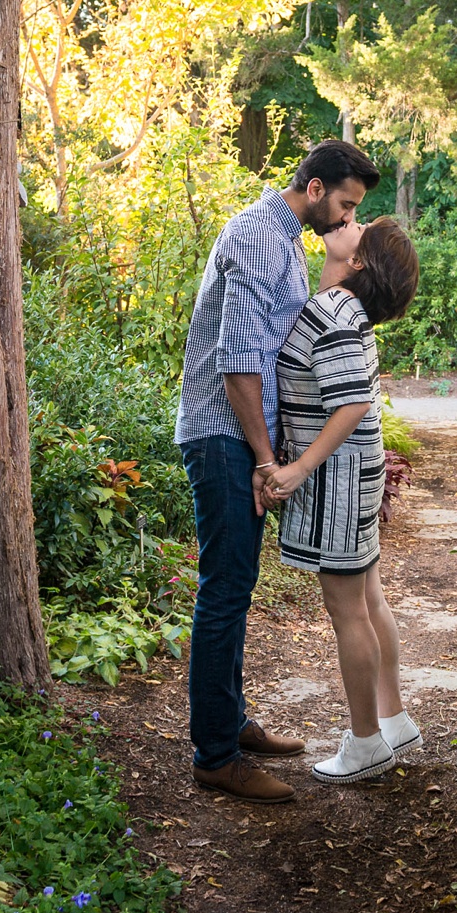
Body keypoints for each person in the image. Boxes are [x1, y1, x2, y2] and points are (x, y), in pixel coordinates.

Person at [178, 138, 382, 803]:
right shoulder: (258, 238)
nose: (348, 218)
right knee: (225, 587)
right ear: (316, 188)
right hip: (224, 435)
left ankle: (231, 722)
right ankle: (215, 754)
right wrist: (268, 459)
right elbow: (238, 366)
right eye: (346, 203)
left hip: (245, 436)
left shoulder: (285, 238)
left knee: (235, 585)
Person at [263, 217, 421, 785]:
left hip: (338, 479)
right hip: (355, 472)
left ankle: (364, 743)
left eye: (360, 226)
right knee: (369, 598)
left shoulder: (333, 312)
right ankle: (393, 720)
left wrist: (297, 468)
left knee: (348, 609)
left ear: (358, 262)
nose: (348, 220)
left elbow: (351, 404)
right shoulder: (344, 310)